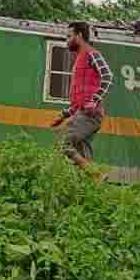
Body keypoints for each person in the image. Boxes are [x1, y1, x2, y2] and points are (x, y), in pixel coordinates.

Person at [50, 21, 113, 174]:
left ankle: (95, 175)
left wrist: (95, 100)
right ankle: (93, 186)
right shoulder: (79, 59)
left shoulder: (92, 54)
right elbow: (79, 101)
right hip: (83, 113)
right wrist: (64, 115)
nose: (66, 40)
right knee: (83, 158)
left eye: (68, 36)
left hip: (89, 115)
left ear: (79, 36)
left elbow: (108, 76)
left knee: (63, 143)